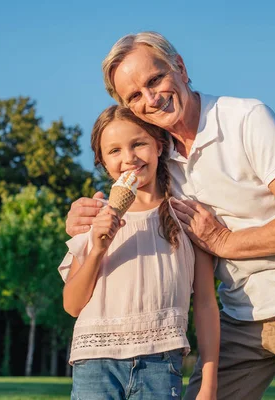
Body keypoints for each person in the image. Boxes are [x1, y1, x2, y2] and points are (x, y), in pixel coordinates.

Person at [66, 32, 275, 399]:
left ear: (180, 67)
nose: (151, 98)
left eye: (155, 80)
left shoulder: (246, 119)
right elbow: (133, 199)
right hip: (239, 314)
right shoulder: (162, 159)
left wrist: (223, 240)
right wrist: (81, 218)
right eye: (134, 95)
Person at [58, 105, 219, 400]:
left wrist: (208, 382)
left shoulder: (188, 217)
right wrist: (97, 249)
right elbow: (72, 305)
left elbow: (207, 303)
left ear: (159, 145)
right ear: (102, 161)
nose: (129, 158)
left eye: (138, 144)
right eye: (114, 151)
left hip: (161, 364)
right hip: (94, 363)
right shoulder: (93, 219)